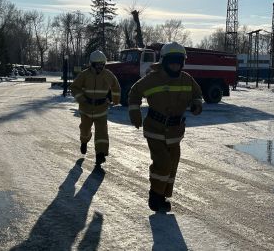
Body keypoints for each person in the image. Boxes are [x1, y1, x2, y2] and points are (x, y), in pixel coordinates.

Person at [128, 42, 203, 212]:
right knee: (162, 163)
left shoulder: (186, 79)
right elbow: (135, 92)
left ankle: (162, 195)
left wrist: (196, 104)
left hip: (175, 132)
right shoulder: (153, 78)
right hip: (155, 129)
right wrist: (134, 111)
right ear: (164, 61)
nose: (175, 64)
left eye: (178, 61)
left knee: (172, 163)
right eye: (171, 61)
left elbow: (197, 94)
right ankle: (154, 197)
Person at [70, 50, 121, 166]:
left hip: (101, 109)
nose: (100, 67)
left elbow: (116, 87)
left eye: (102, 64)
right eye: (97, 64)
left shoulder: (108, 75)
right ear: (92, 64)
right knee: (84, 129)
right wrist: (82, 99)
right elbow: (74, 87)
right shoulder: (84, 74)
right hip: (86, 109)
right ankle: (84, 141)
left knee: (102, 133)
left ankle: (100, 154)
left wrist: (115, 100)